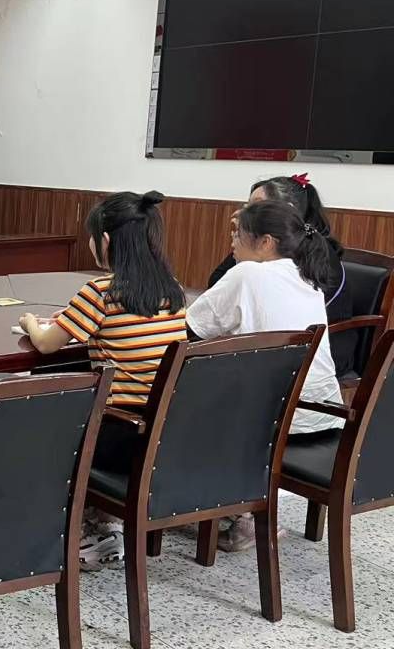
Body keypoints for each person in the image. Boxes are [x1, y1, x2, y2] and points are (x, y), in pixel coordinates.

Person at [19, 191, 188, 570]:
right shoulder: (172, 289)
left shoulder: (100, 293)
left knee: (46, 418)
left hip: (120, 436)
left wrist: (31, 322)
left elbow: (46, 344)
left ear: (106, 240)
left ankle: (85, 530)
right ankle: (103, 522)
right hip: (164, 433)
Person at [187, 199, 344, 552]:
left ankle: (230, 511)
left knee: (184, 401)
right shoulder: (306, 277)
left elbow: (191, 328)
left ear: (266, 242)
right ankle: (238, 509)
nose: (231, 240)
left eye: (238, 233)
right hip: (323, 414)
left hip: (275, 421)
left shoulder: (247, 274)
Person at [209, 172, 355, 375]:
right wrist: (243, 242)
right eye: (248, 206)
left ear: (285, 210)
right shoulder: (265, 244)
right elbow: (217, 282)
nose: (247, 213)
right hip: (279, 348)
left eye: (257, 206)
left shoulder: (313, 251)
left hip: (319, 352)